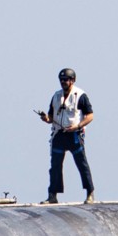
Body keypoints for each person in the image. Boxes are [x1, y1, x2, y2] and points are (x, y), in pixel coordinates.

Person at [37, 67, 95, 204]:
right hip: (59, 134)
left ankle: (90, 192)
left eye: (66, 80)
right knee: (55, 165)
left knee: (82, 164)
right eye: (61, 80)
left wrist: (78, 126)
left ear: (72, 80)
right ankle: (52, 195)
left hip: (74, 134)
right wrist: (46, 118)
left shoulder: (80, 95)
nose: (63, 82)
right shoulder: (56, 96)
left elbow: (90, 115)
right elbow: (51, 116)